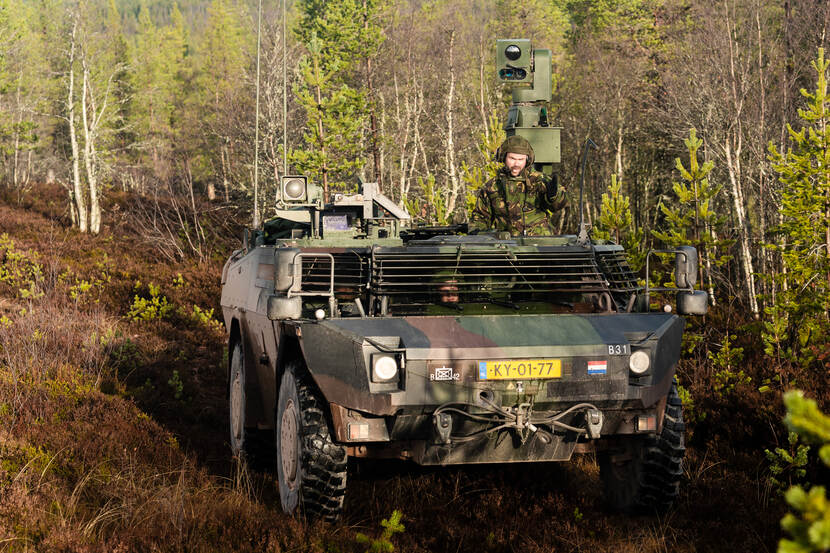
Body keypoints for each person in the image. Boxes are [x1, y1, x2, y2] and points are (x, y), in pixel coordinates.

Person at [470, 135, 567, 236]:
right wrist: (478, 232)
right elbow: (480, 217)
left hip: (539, 245)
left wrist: (554, 196)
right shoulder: (492, 187)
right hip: (507, 244)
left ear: (527, 160)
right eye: (512, 158)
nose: (516, 164)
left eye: (521, 159)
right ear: (503, 157)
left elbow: (562, 204)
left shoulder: (539, 180)